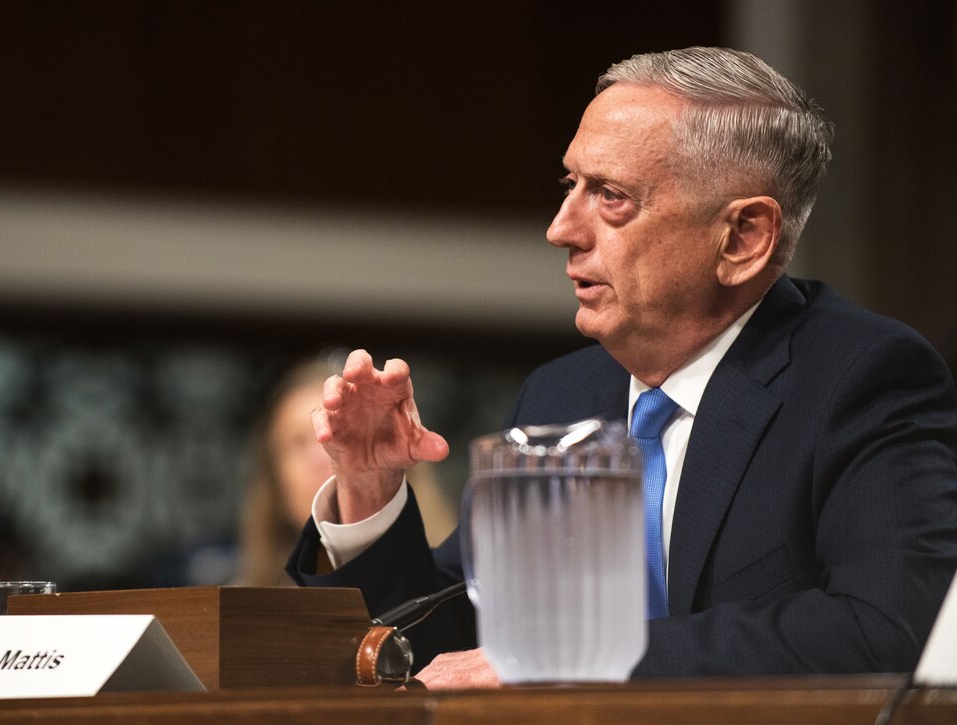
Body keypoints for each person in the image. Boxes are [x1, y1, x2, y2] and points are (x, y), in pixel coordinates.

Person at [285, 46, 957, 687]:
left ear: (744, 237)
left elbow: (889, 629)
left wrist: (581, 662)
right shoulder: (561, 394)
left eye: (611, 197)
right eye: (569, 184)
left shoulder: (862, 379)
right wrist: (370, 491)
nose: (561, 228)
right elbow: (452, 645)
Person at [237, 357, 456, 587]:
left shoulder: (460, 589)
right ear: (275, 481)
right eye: (298, 443)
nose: (321, 457)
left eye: (342, 436)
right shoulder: (236, 608)